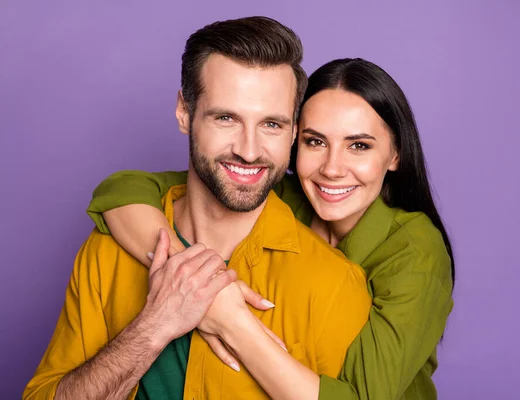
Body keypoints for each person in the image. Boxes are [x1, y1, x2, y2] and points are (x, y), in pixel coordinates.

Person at [24, 17, 372, 400]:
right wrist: (154, 325)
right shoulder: (109, 249)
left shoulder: (334, 285)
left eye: (272, 124)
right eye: (226, 118)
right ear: (184, 113)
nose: (249, 150)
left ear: (293, 132)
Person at [85, 57, 456, 399]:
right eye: (315, 141)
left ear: (395, 154)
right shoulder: (281, 196)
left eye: (358, 145)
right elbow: (122, 190)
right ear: (294, 139)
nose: (332, 167)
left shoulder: (416, 250)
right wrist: (193, 279)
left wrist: (227, 318)